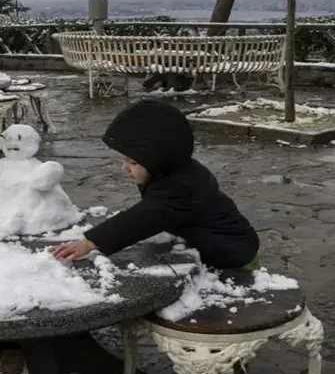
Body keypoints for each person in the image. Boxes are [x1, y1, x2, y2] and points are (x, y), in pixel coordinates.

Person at [52, 99, 260, 269]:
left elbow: (145, 217)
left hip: (232, 251)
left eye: (132, 162)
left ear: (158, 157)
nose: (124, 168)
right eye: (124, 159)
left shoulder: (182, 186)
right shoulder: (173, 170)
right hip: (218, 238)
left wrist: (91, 242)